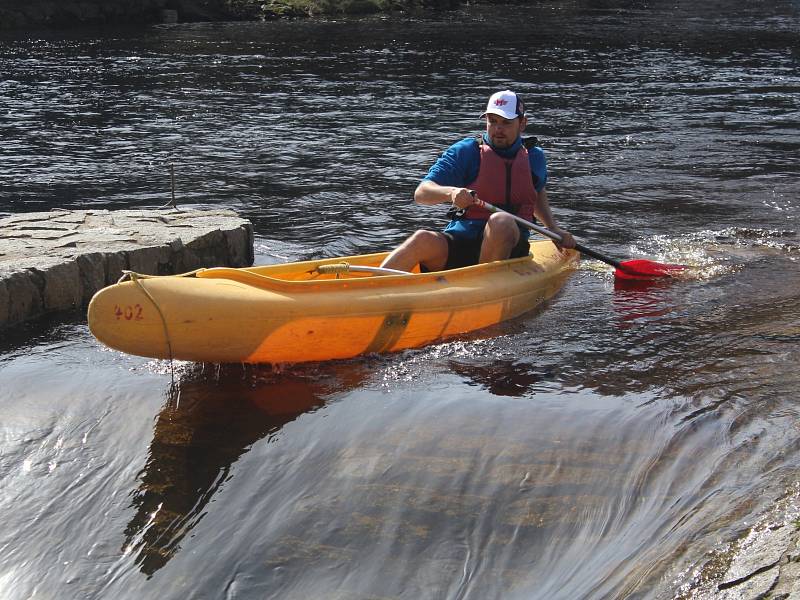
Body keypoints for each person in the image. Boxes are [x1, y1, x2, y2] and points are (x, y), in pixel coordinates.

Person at [380, 90, 576, 272]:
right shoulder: (466, 151)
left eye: (506, 122)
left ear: (522, 124)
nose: (498, 129)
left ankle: (485, 286)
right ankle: (371, 287)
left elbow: (536, 192)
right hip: (464, 240)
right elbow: (421, 193)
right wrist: (451, 193)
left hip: (508, 245)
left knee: (501, 221)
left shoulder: (534, 156)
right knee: (423, 238)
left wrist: (553, 229)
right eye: (492, 121)